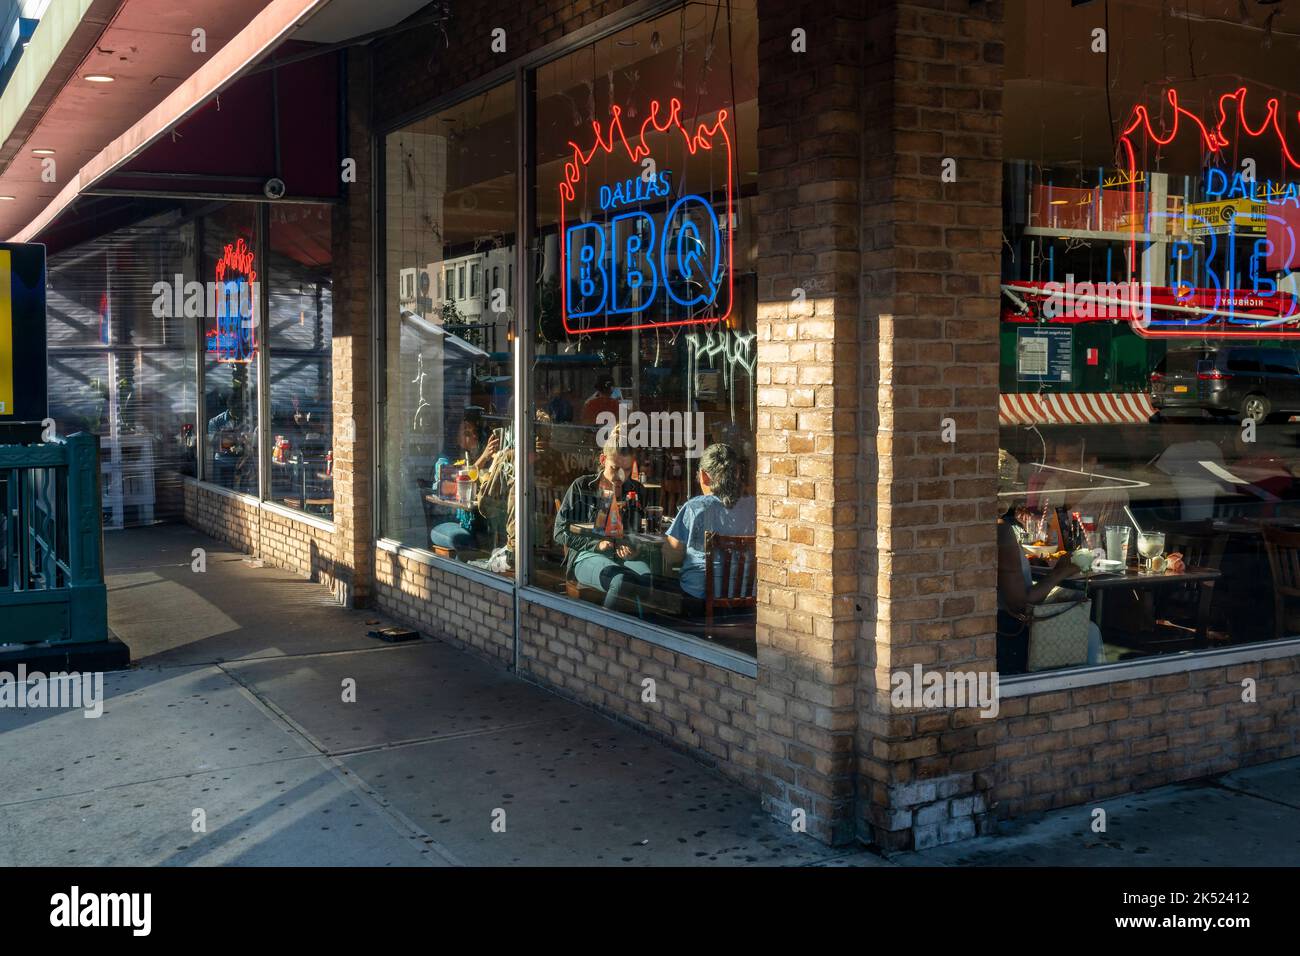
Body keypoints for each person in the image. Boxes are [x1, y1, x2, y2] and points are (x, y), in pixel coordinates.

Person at [997, 449, 1105, 674]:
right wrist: (1061, 573)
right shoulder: (1001, 531)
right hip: (1011, 629)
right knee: (1090, 631)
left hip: (998, 625)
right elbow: (1020, 604)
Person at [553, 425, 652, 615]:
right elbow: (559, 531)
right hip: (587, 554)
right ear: (602, 460)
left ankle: (639, 635)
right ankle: (605, 633)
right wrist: (597, 545)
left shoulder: (637, 490)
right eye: (615, 469)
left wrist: (634, 546)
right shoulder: (582, 486)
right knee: (621, 580)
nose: (620, 477)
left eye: (626, 470)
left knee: (649, 580)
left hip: (625, 556)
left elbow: (639, 532)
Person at [663, 443, 756, 613]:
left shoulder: (695, 508)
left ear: (704, 477)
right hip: (747, 603)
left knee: (649, 584)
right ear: (736, 473)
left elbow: (671, 555)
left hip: (698, 602)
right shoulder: (754, 506)